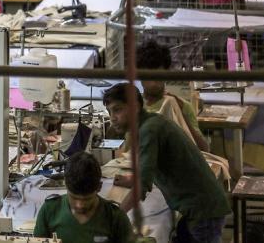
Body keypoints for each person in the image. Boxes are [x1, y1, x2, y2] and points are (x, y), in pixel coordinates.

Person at [104, 83, 230, 243]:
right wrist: (132, 180)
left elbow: (142, 187)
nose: (112, 118)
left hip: (203, 211)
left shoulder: (149, 130)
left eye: (117, 110)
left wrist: (116, 218)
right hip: (201, 207)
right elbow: (149, 170)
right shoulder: (152, 122)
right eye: (109, 112)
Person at [34, 152, 135, 242]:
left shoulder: (115, 218)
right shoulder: (50, 211)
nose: (79, 205)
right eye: (74, 198)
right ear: (65, 185)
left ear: (99, 187)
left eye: (87, 199)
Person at [137, 40, 208, 152]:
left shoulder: (181, 106)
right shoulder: (134, 106)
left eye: (158, 75)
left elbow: (203, 149)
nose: (153, 82)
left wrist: (181, 114)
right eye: (149, 76)